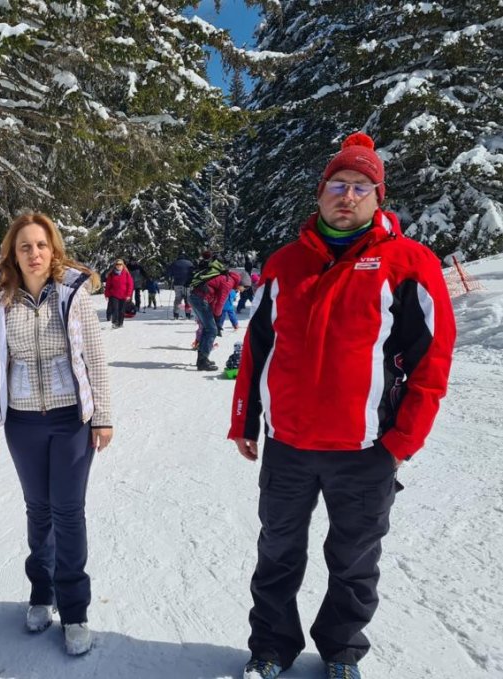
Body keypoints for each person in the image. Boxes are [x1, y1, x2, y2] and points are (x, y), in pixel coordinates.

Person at [229, 132, 456, 679]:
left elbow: (433, 359)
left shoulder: (408, 262)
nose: (347, 196)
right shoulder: (284, 263)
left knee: (354, 561)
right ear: (320, 194)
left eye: (360, 187)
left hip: (365, 451)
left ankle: (341, 652)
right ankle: (270, 649)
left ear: (379, 198)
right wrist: (245, 420)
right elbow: (257, 349)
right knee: (277, 554)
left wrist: (403, 441)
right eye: (338, 185)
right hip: (288, 447)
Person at [0, 212, 113, 657]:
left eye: (41, 245)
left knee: (68, 512)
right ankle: (42, 592)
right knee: (38, 510)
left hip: (70, 418)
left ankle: (74, 609)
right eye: (24, 247)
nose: (34, 254)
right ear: (12, 254)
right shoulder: (1, 295)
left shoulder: (73, 292)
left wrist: (102, 416)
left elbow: (95, 357)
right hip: (22, 420)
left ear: (53, 248)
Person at [188, 251, 240, 371]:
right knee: (211, 329)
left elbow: (214, 301)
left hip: (195, 297)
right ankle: (202, 361)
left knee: (208, 328)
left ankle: (202, 359)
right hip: (200, 299)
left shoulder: (224, 278)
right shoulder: (228, 281)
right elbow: (221, 302)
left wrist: (214, 316)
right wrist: (217, 318)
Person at [103, 258, 133, 329]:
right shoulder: (111, 274)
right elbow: (108, 285)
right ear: (115, 265)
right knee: (115, 309)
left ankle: (120, 323)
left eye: (120, 264)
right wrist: (107, 294)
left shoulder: (126, 274)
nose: (118, 266)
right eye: (117, 264)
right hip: (113, 295)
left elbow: (130, 285)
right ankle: (115, 323)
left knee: (122, 310)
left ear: (123, 265)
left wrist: (128, 295)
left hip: (124, 295)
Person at [166, 253, 194, 319]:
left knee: (178, 299)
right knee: (187, 299)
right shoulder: (190, 263)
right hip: (187, 284)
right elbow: (193, 272)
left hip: (177, 283)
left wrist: (171, 277)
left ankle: (176, 314)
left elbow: (169, 273)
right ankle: (188, 314)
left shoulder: (174, 263)